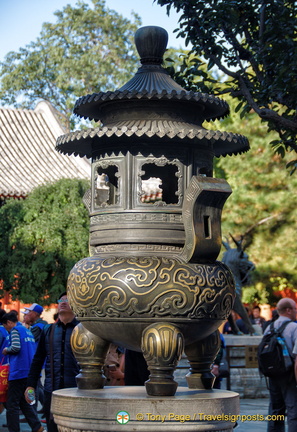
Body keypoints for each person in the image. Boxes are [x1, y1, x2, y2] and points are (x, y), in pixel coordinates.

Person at [25, 292, 80, 432]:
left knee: (75, 426)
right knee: (53, 426)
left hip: (76, 390)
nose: (63, 302)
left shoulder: (83, 329)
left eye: (67, 300)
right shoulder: (48, 330)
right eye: (60, 300)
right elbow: (38, 360)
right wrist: (30, 385)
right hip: (52, 390)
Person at [1, 311, 44, 432]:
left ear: (9, 322)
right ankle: (37, 427)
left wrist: (6, 350)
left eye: (6, 326)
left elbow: (15, 347)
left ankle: (14, 430)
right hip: (30, 371)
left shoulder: (15, 330)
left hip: (19, 371)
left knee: (12, 404)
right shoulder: (27, 330)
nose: (7, 330)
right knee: (24, 402)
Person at [263, 297, 297, 432]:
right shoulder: (294, 328)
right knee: (294, 411)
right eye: (295, 309)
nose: (296, 311)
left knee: (275, 411)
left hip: (272, 374)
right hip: (289, 376)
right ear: (288, 310)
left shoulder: (269, 328)